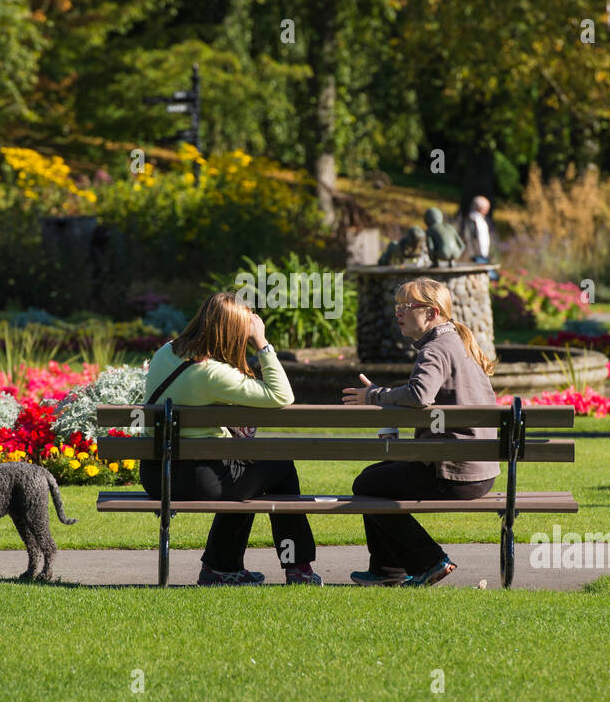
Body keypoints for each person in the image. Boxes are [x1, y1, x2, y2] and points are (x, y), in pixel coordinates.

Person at [138, 292, 320, 586]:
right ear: (235, 332)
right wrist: (262, 344)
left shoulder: (166, 352)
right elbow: (282, 395)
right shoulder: (214, 374)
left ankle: (221, 567)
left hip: (155, 473)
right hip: (197, 479)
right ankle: (298, 567)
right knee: (280, 467)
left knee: (247, 473)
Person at [341, 277, 500, 586]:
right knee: (376, 478)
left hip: (453, 474)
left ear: (432, 313)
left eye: (407, 306)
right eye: (397, 306)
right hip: (479, 471)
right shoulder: (456, 341)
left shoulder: (436, 348)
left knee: (366, 484)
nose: (398, 312)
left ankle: (429, 560)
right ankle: (386, 571)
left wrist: (375, 395)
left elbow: (419, 395)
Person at [455, 195, 500, 282]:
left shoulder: (484, 220)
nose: (487, 209)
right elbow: (468, 239)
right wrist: (472, 254)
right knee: (489, 277)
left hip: (484, 255)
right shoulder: (470, 220)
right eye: (486, 207)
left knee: (492, 277)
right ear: (480, 207)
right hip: (475, 255)